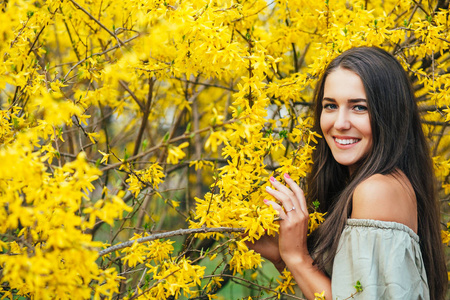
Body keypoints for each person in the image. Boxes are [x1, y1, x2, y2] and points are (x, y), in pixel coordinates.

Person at [248, 47, 447, 299]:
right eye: (330, 106)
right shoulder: (375, 182)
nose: (340, 123)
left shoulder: (377, 190)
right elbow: (351, 288)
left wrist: (296, 256)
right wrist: (282, 256)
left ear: (390, 114)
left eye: (359, 108)